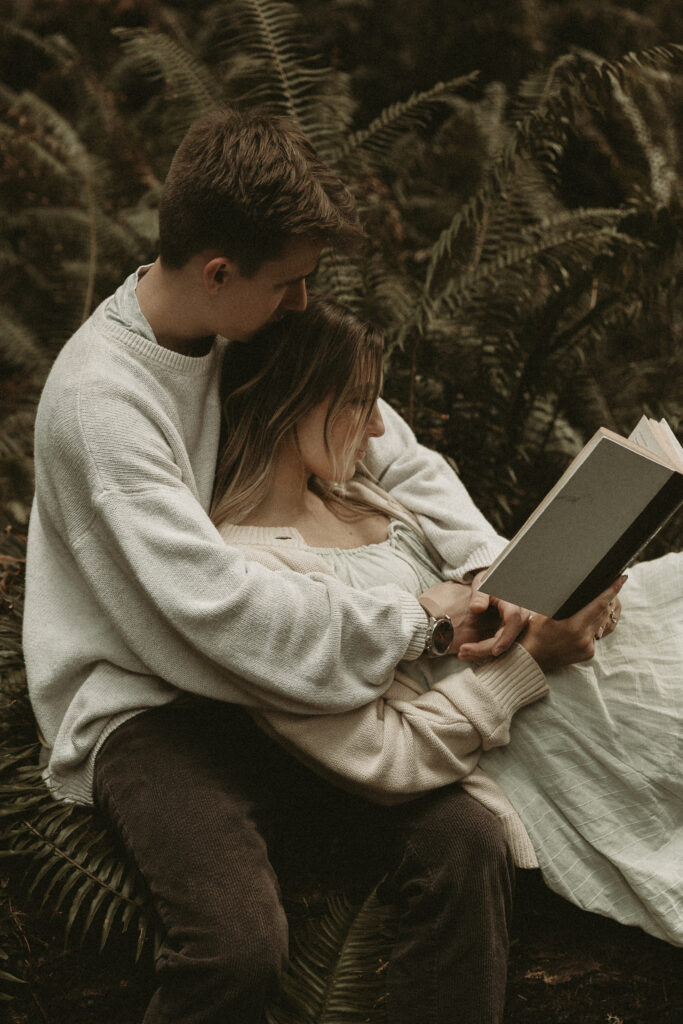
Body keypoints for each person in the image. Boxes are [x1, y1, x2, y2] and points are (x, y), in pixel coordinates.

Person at [23, 109, 533, 1024]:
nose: (303, 302)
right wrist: (418, 619)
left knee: (466, 842)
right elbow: (213, 608)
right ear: (219, 272)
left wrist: (492, 562)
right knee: (235, 945)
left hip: (268, 695)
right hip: (147, 709)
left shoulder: (244, 327)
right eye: (290, 283)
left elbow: (388, 447)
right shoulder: (101, 402)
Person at [211, 295, 683, 950]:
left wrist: (578, 590)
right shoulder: (249, 580)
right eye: (357, 402)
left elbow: (467, 576)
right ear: (286, 403)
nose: (379, 430)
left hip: (587, 658)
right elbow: (383, 757)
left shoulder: (352, 488)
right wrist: (532, 658)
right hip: (540, 730)